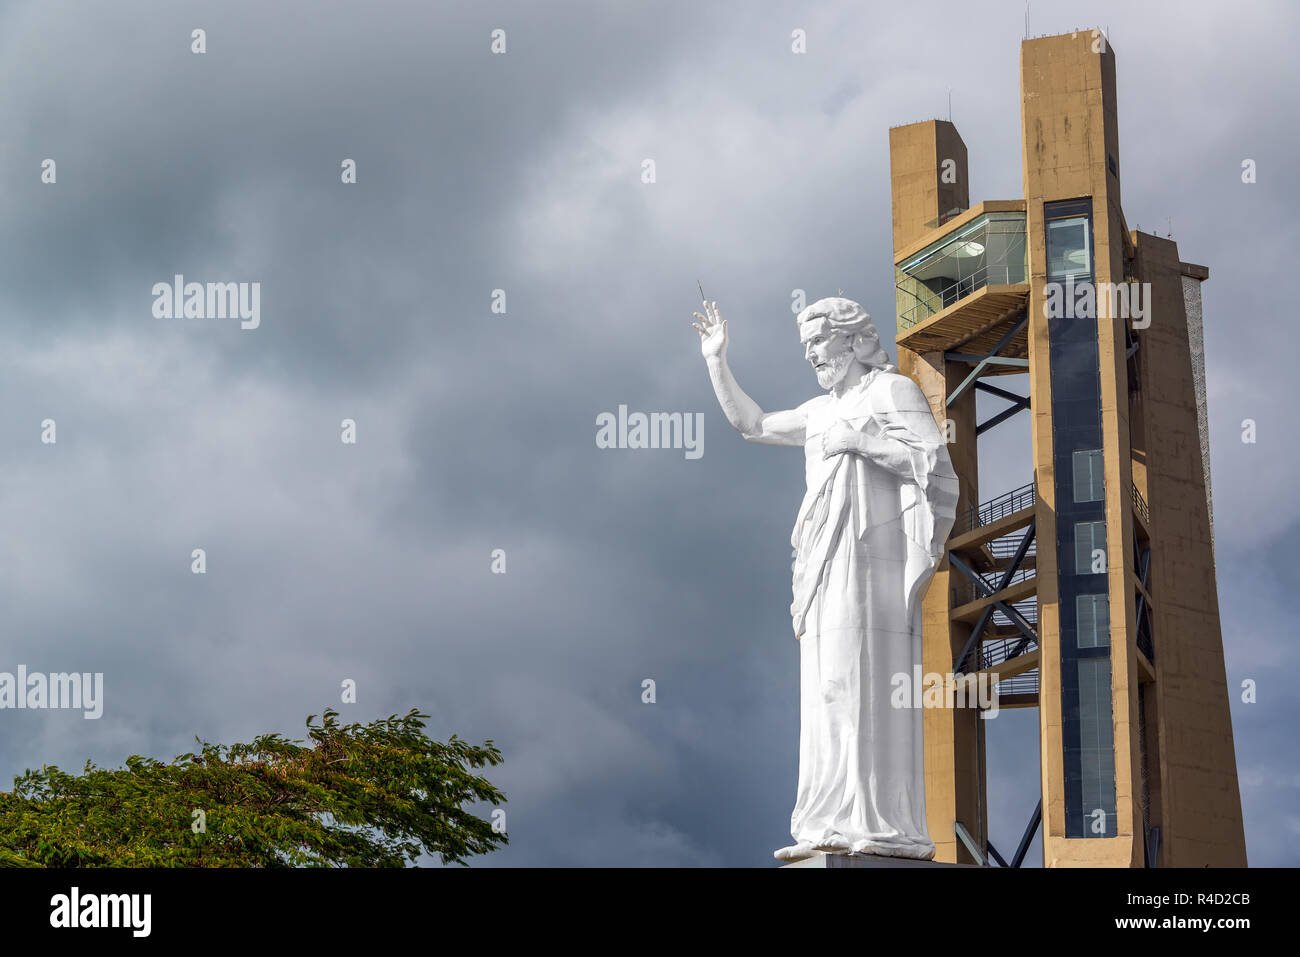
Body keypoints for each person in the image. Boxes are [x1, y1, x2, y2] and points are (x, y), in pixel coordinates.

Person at [693, 296, 958, 862]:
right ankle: (828, 818)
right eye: (807, 347)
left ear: (853, 340)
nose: (813, 354)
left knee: (866, 679)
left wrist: (859, 441)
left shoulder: (892, 391)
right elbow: (754, 423)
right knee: (827, 686)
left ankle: (875, 818)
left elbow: (933, 461)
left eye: (820, 342)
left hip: (872, 560)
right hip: (823, 561)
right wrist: (717, 360)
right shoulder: (817, 411)